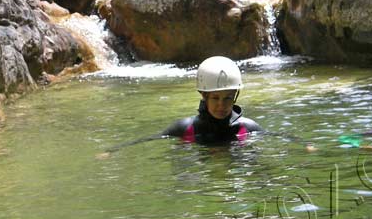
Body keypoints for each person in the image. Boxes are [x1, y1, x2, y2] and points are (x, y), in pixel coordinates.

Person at [98, 56, 265, 157]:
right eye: (215, 98)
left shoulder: (247, 127)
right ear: (203, 95)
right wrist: (112, 150)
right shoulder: (186, 128)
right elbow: (149, 139)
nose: (222, 105)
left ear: (236, 96)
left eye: (228, 98)